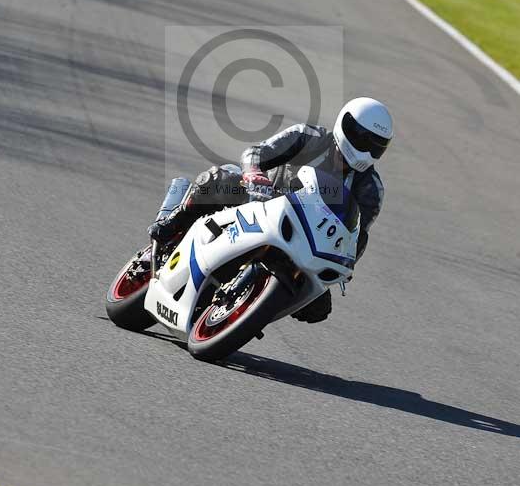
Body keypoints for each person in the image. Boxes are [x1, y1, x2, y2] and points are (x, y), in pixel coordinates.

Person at [148, 97, 393, 323]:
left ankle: (251, 309)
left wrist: (348, 263)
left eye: (376, 146)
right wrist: (254, 173)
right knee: (219, 179)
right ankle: (174, 220)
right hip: (259, 203)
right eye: (362, 138)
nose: (366, 150)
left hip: (306, 241)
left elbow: (357, 234)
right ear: (346, 125)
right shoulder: (308, 137)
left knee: (318, 308)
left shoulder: (371, 190)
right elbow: (256, 153)